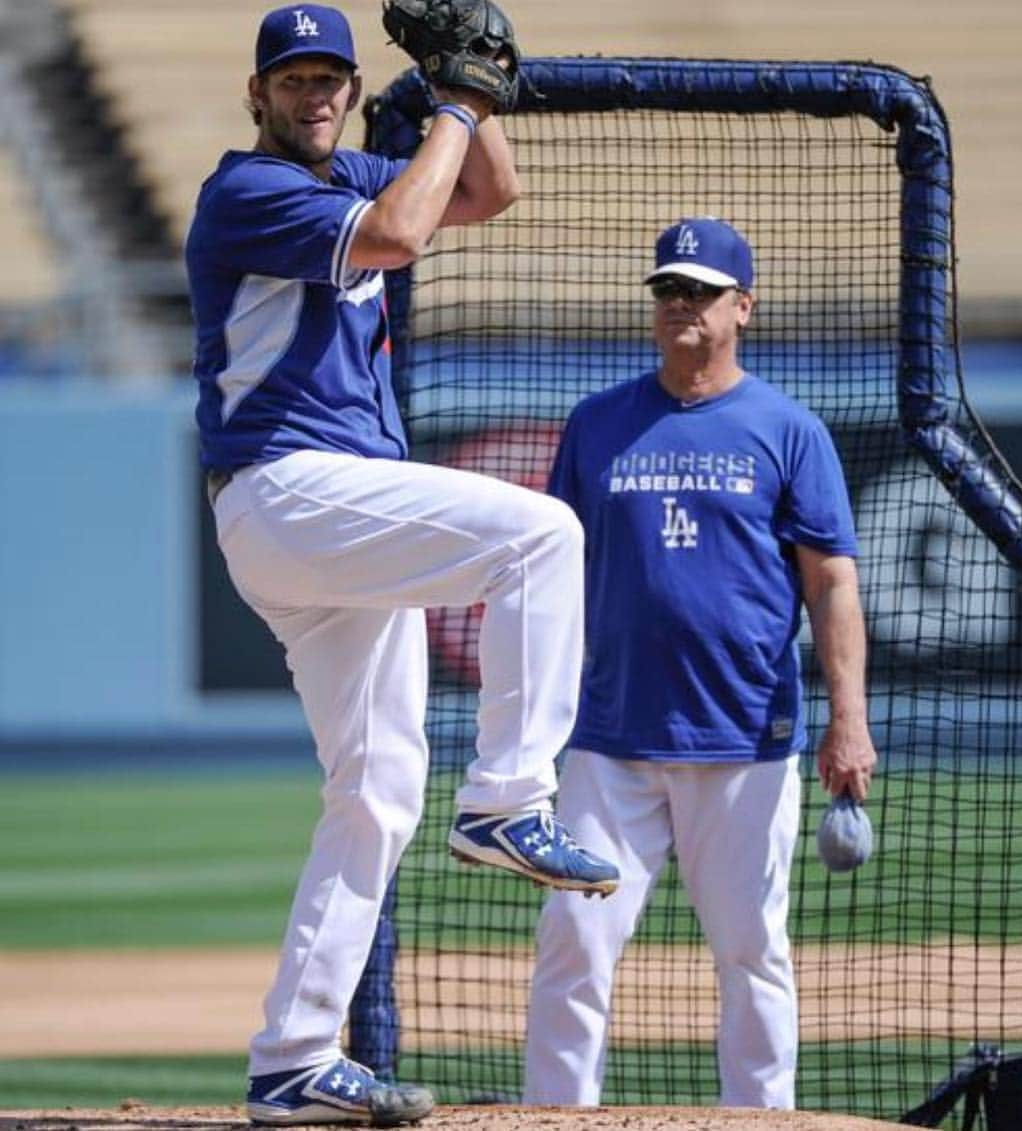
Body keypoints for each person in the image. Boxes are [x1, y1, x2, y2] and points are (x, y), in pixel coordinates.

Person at [185, 5, 618, 1125]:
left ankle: (292, 1058)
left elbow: (484, 194)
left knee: (375, 794)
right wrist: (461, 104)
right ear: (258, 95)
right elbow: (399, 237)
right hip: (289, 486)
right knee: (545, 534)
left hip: (318, 517)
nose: (317, 93)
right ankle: (510, 800)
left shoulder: (364, 165)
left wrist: (451, 85)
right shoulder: (248, 192)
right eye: (295, 79)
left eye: (332, 74)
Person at [523, 217, 878, 1110]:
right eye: (667, 289)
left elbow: (832, 581)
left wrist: (850, 720)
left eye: (699, 290)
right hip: (611, 737)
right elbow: (551, 564)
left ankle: (762, 1122)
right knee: (573, 937)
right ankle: (555, 1118)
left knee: (751, 951)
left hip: (747, 740)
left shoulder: (788, 429)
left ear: (742, 307)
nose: (678, 304)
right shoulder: (599, 422)